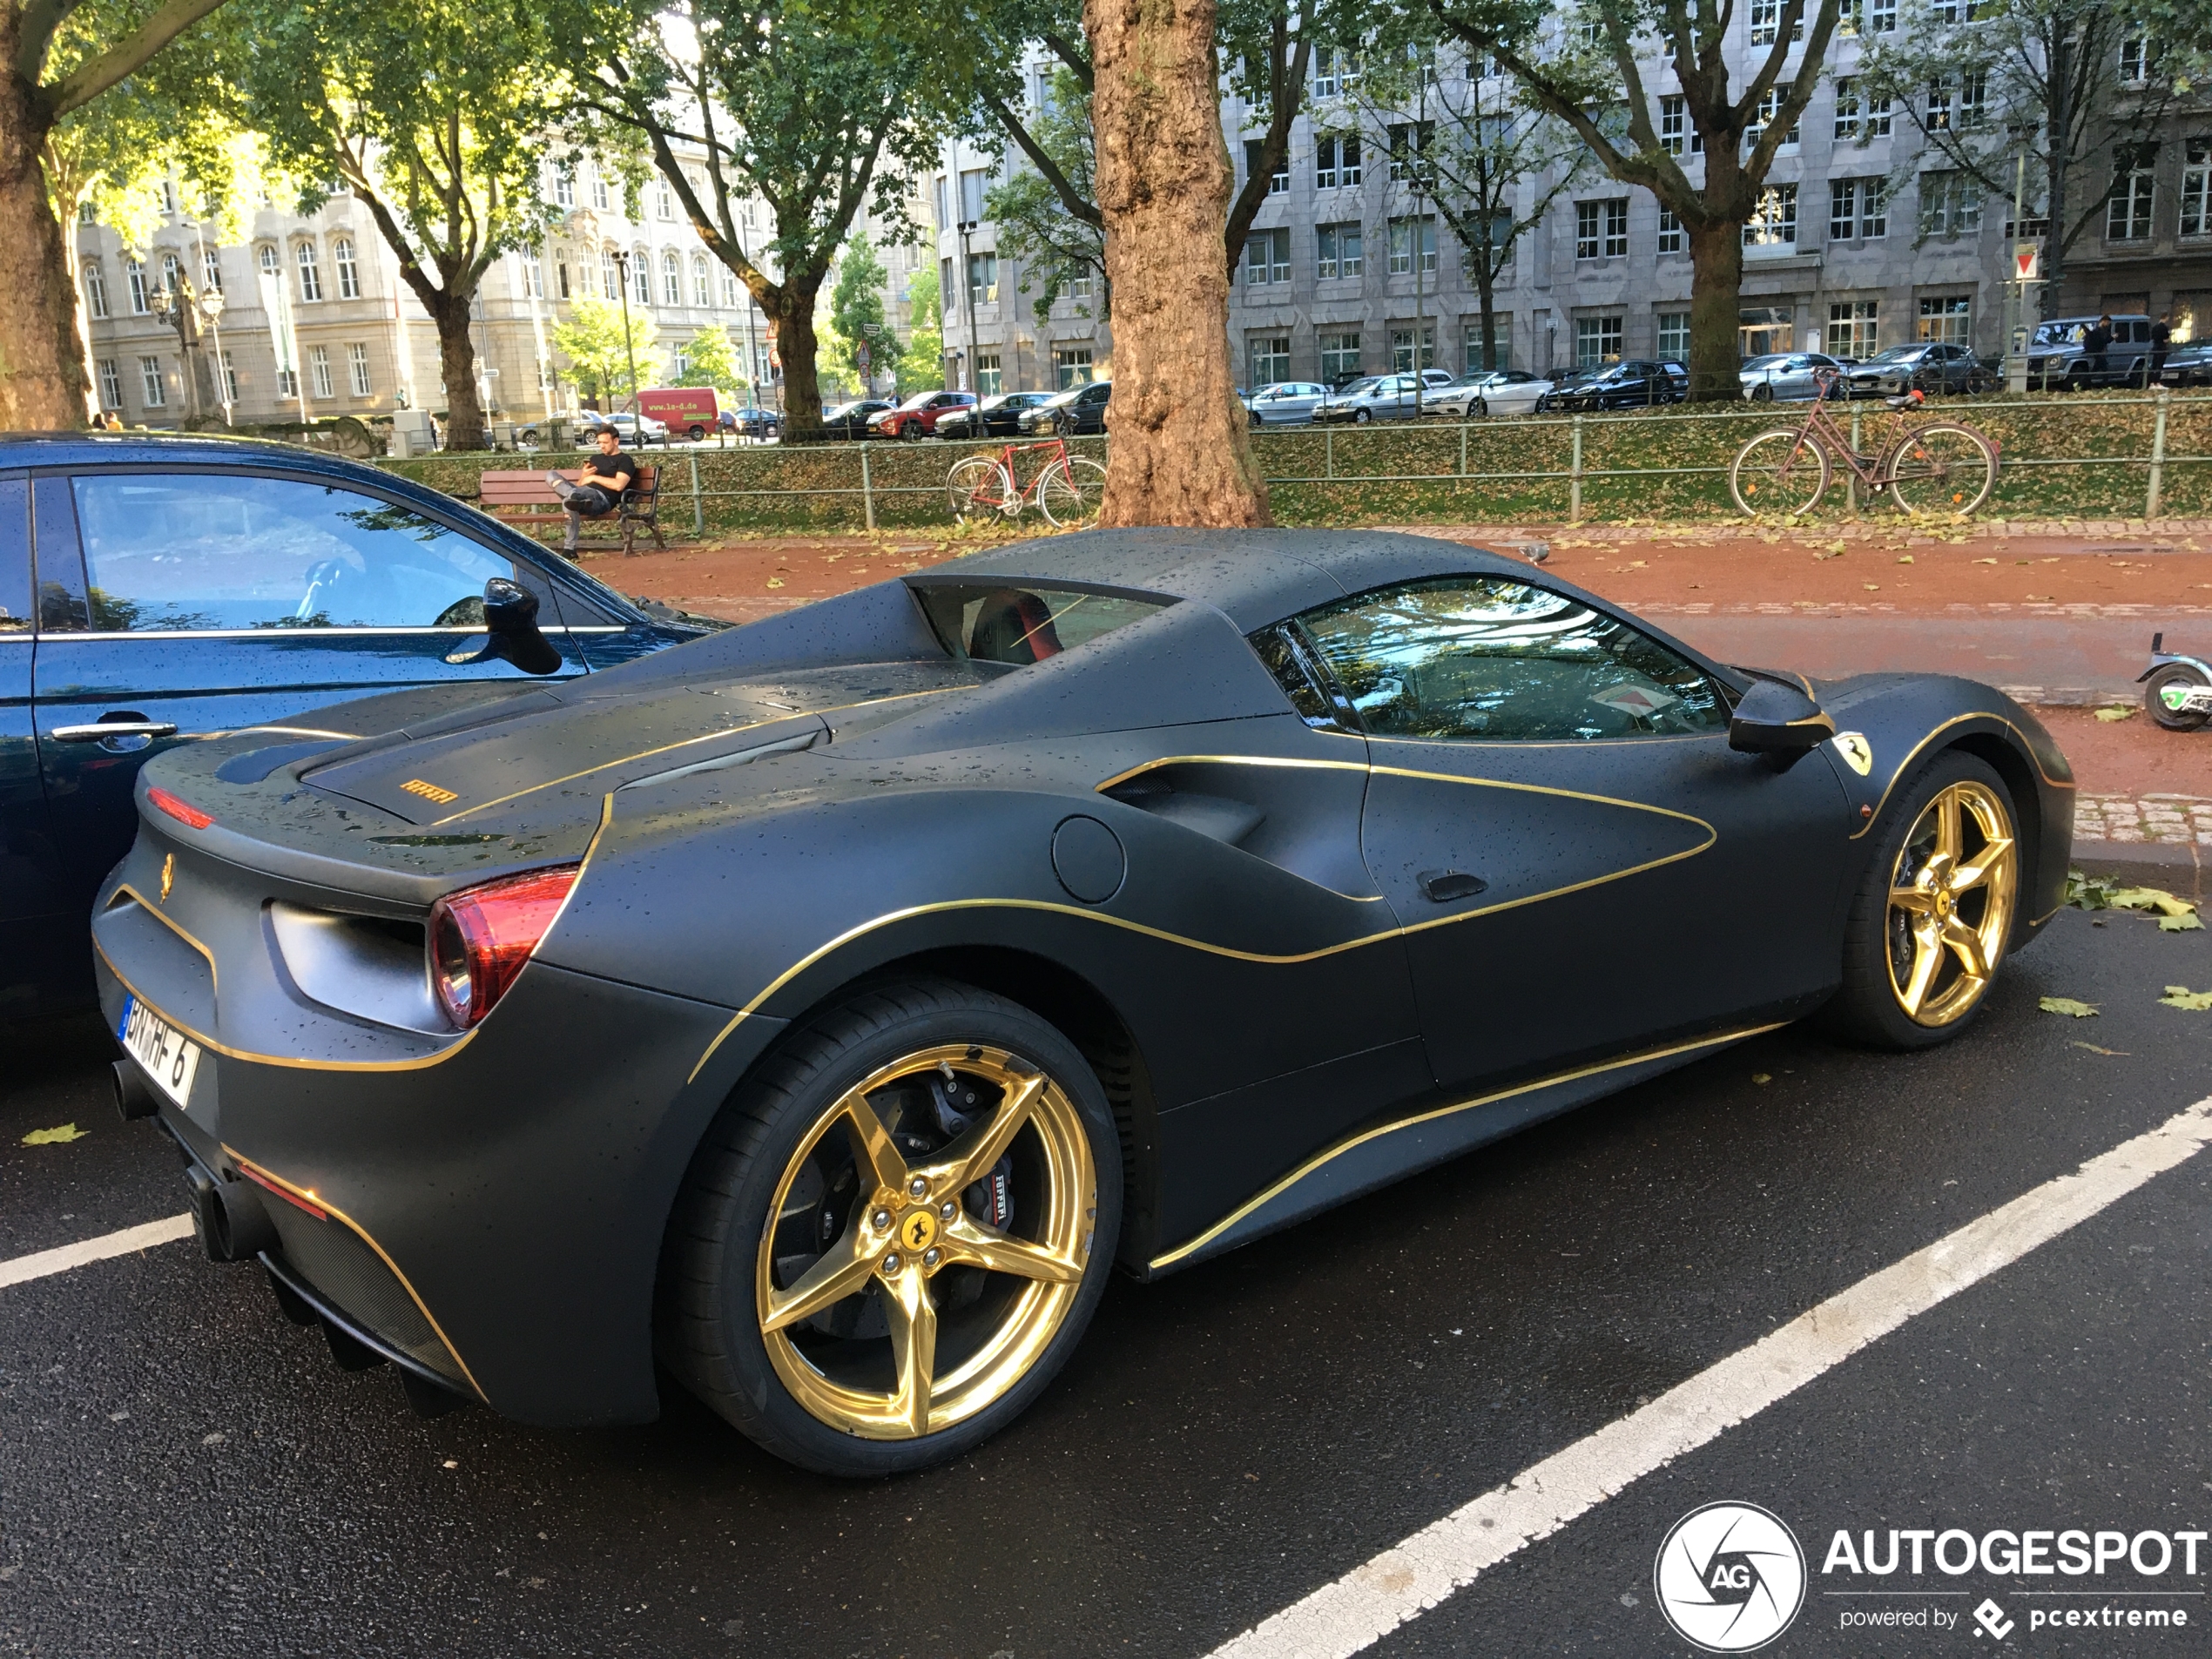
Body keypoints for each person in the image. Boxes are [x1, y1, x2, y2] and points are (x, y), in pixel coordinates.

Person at [543, 426, 637, 556]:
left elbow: (619, 485)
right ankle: (569, 549)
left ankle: (569, 548)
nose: (602, 446)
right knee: (551, 475)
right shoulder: (595, 459)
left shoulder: (625, 460)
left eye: (605, 442)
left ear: (616, 441)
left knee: (570, 500)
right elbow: (581, 485)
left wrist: (593, 477)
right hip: (582, 494)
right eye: (599, 443)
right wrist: (584, 475)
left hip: (601, 499)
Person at [2085, 314, 2114, 382]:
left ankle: (2084, 382)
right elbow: (2102, 341)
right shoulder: (2098, 331)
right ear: (2103, 321)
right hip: (2098, 352)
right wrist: (2112, 338)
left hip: (2099, 353)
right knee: (2103, 369)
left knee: (2097, 369)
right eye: (2107, 322)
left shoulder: (2101, 330)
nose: (2108, 324)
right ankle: (2082, 382)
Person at [2151, 310, 2173, 386]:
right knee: (2159, 366)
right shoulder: (2164, 328)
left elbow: (2153, 337)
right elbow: (2165, 340)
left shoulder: (2154, 327)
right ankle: (2157, 382)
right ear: (2166, 317)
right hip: (2162, 348)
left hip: (2155, 348)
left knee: (2154, 365)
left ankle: (2152, 382)